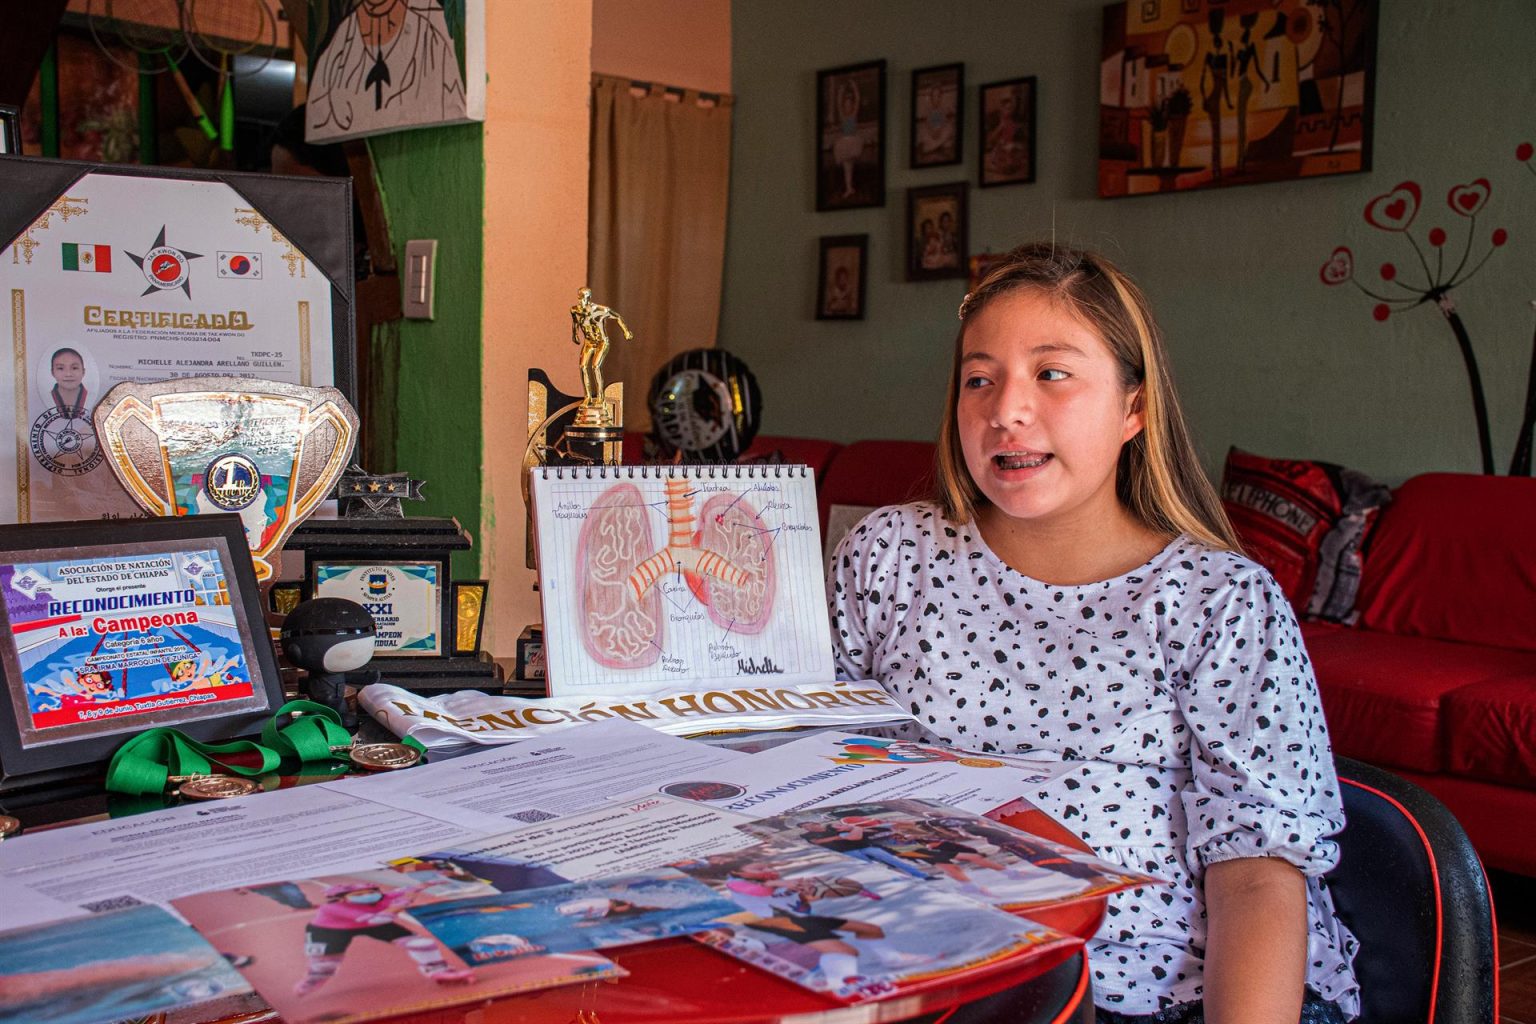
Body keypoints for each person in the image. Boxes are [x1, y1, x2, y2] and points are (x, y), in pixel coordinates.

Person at [827, 242, 1358, 1023]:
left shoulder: (1218, 600)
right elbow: (801, 767)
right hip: (918, 975)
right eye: (979, 378)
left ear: (1134, 409)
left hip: (1145, 996)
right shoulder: (888, 555)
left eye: (1051, 373)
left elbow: (1256, 875)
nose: (1005, 409)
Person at [48, 347, 88, 417]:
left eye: (74, 368)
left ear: (83, 372)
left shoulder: (90, 397)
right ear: (52, 372)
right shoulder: (47, 398)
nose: (68, 374)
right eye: (60, 368)